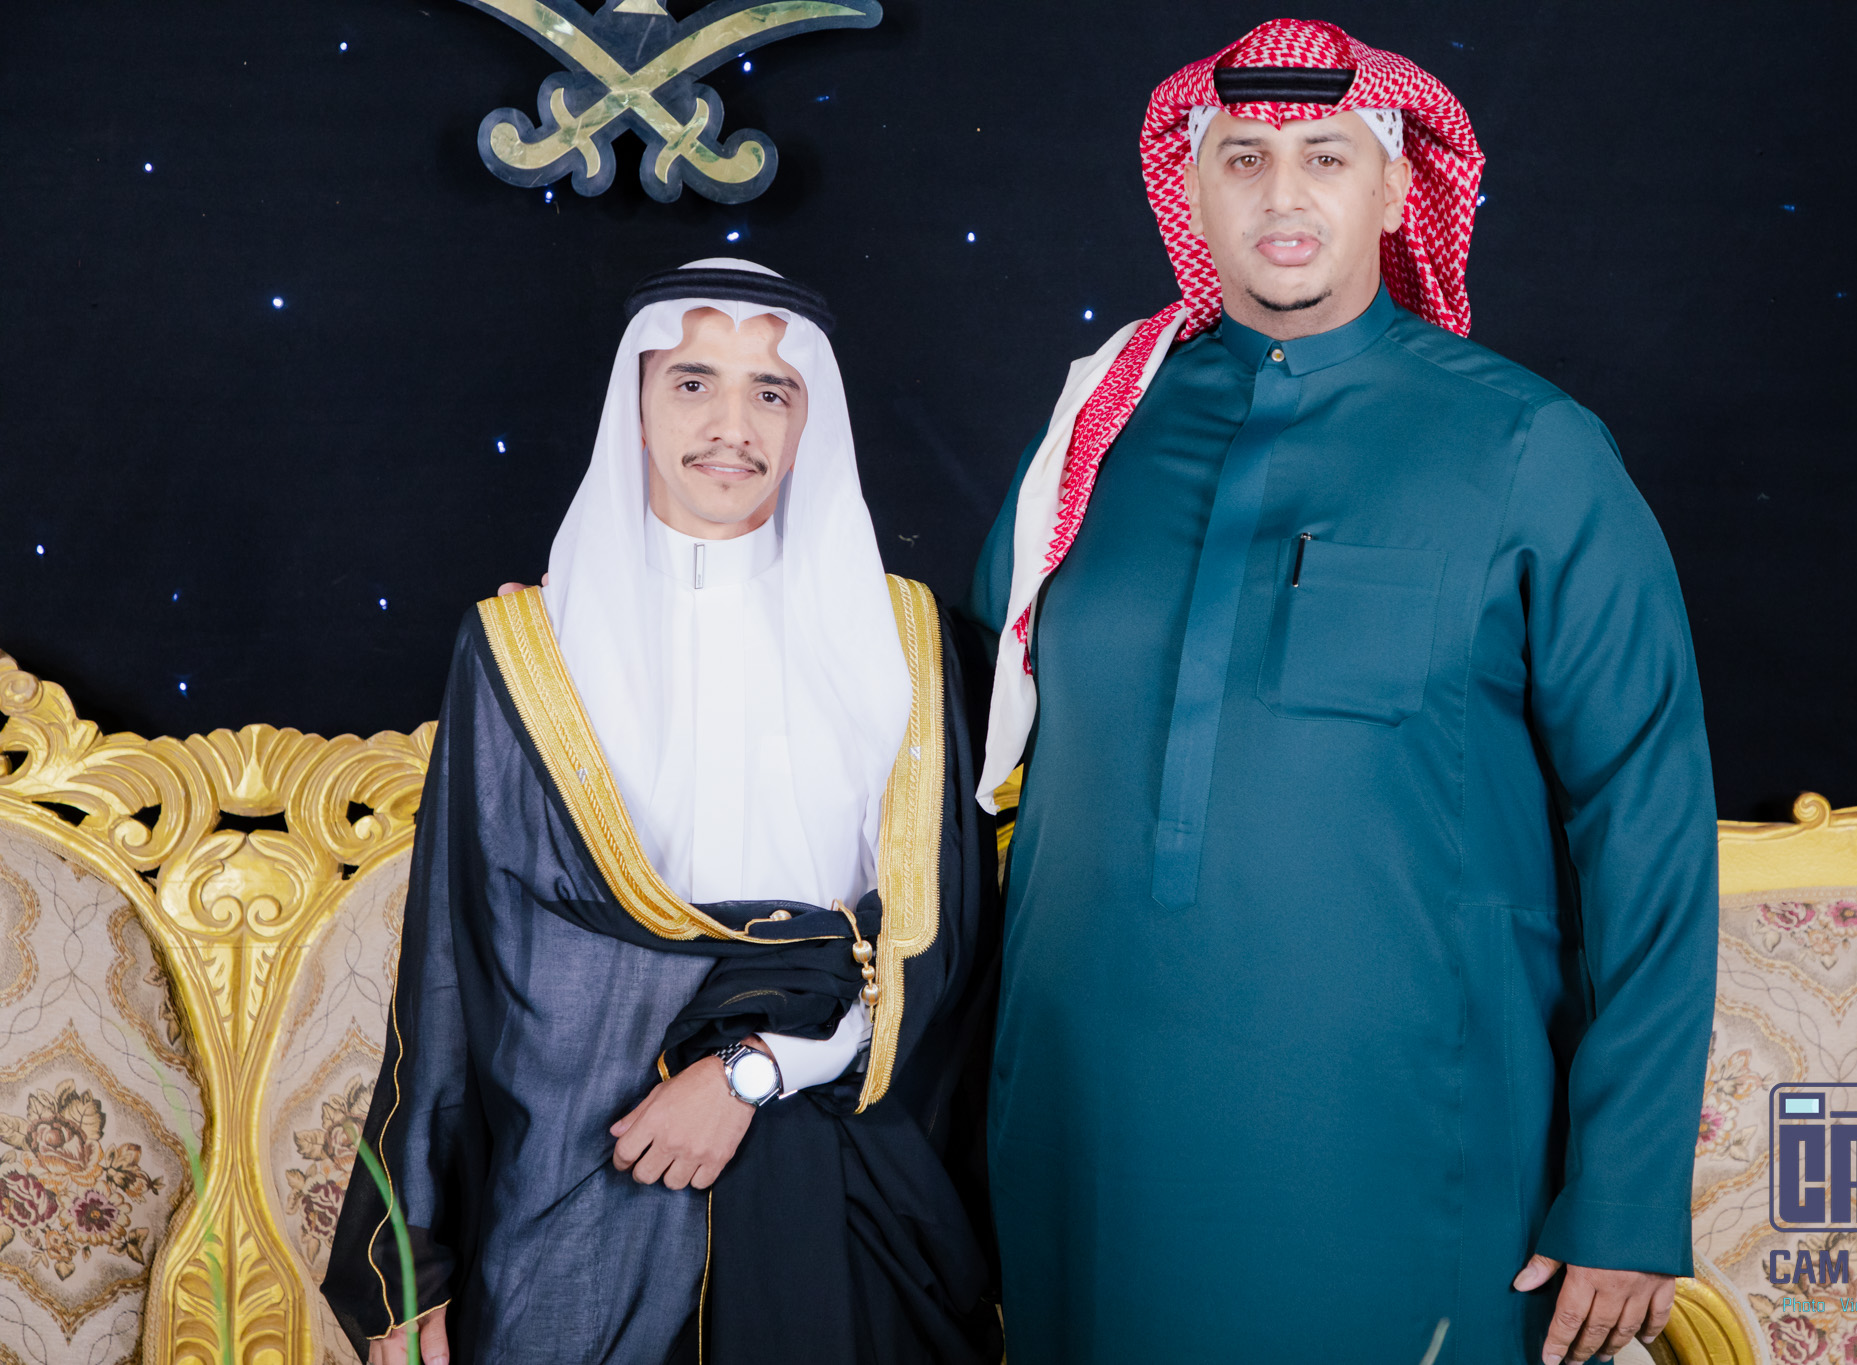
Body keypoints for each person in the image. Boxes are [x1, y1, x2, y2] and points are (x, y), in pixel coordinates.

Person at [969, 21, 1717, 1365]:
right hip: (1084, 1139)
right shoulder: (1093, 434)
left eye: (1325, 156)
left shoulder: (1529, 448)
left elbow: (1648, 828)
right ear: (1191, 192)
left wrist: (1629, 1183)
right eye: (1242, 158)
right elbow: (960, 736)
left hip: (1406, 1141)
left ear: (1394, 187)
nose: (1281, 194)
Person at [323, 259, 1003, 1365]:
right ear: (634, 406)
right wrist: (409, 1266)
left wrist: (754, 1069)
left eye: (771, 391)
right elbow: (454, 963)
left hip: (837, 1169)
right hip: (576, 1182)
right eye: (693, 383)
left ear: (809, 421)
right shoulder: (524, 650)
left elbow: (942, 955)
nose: (732, 425)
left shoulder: (908, 647)